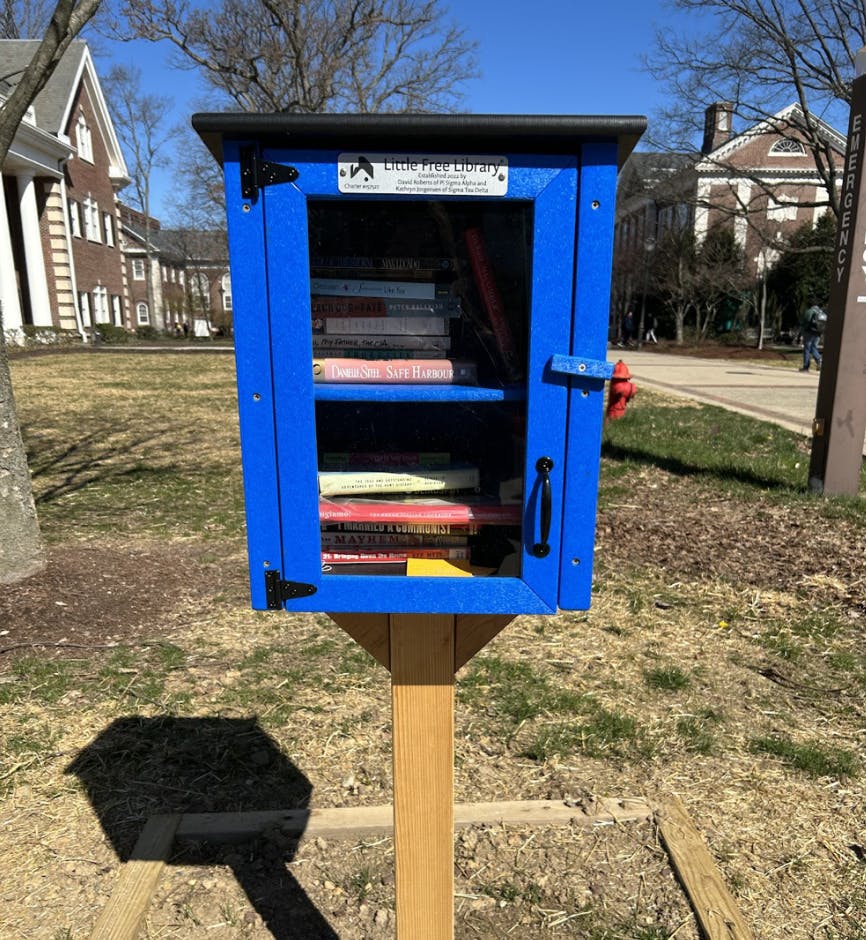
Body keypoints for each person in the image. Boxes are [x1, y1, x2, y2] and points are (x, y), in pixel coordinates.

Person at [799, 300, 826, 372]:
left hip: (809, 332)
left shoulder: (809, 311)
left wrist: (802, 331)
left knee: (807, 349)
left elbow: (805, 321)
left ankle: (806, 367)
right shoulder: (821, 312)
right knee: (813, 347)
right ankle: (819, 359)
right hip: (818, 332)